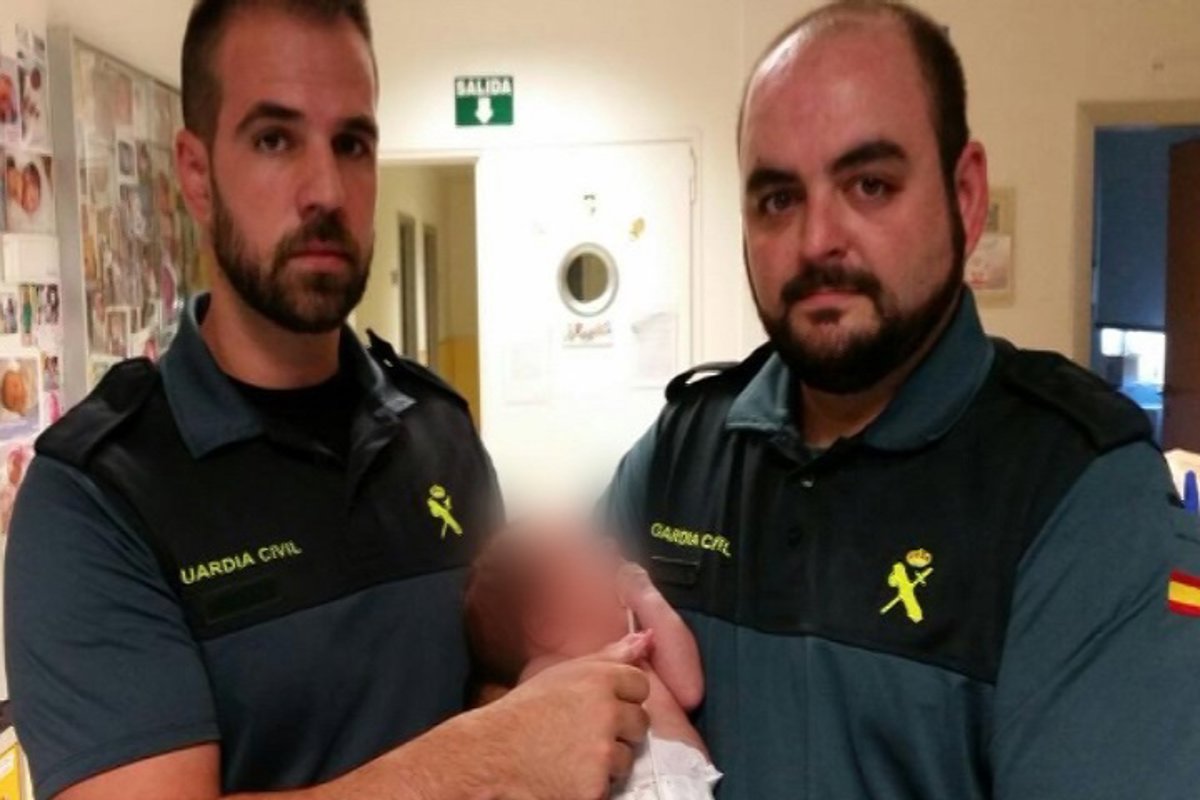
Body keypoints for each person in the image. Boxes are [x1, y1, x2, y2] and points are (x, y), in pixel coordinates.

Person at [5, 1, 651, 798]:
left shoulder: (438, 430)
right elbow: (498, 748)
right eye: (275, 139)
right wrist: (488, 756)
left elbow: (495, 689)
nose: (326, 190)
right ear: (197, 174)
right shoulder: (96, 499)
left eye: (352, 144)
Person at [605, 2, 1200, 798]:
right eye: (778, 199)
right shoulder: (685, 449)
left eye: (870, 185)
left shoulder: (1083, 496)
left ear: (966, 197)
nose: (817, 239)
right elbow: (544, 651)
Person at [465, 517, 721, 799]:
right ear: (546, 624)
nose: (610, 545)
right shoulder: (545, 678)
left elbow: (689, 690)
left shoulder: (641, 649)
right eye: (586, 551)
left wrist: (647, 597)